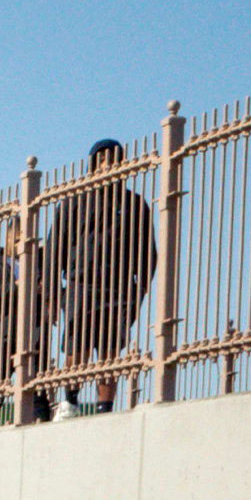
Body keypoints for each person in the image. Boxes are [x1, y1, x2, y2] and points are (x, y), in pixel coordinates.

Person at [38, 137, 157, 412]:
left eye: (114, 158)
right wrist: (53, 295)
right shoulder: (73, 203)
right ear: (92, 166)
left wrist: (136, 293)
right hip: (81, 285)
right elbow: (55, 250)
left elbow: (148, 255)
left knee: (109, 352)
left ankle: (105, 407)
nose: (108, 164)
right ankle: (70, 401)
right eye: (102, 159)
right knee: (77, 347)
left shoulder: (135, 204)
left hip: (118, 289)